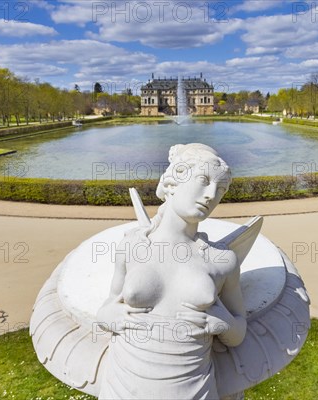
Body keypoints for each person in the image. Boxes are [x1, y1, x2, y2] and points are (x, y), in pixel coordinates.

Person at [96, 144, 246, 399]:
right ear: (172, 184)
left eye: (221, 190)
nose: (211, 195)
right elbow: (109, 305)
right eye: (203, 181)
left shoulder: (222, 259)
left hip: (195, 391)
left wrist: (224, 324)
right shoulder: (132, 245)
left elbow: (239, 330)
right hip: (123, 388)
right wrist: (108, 314)